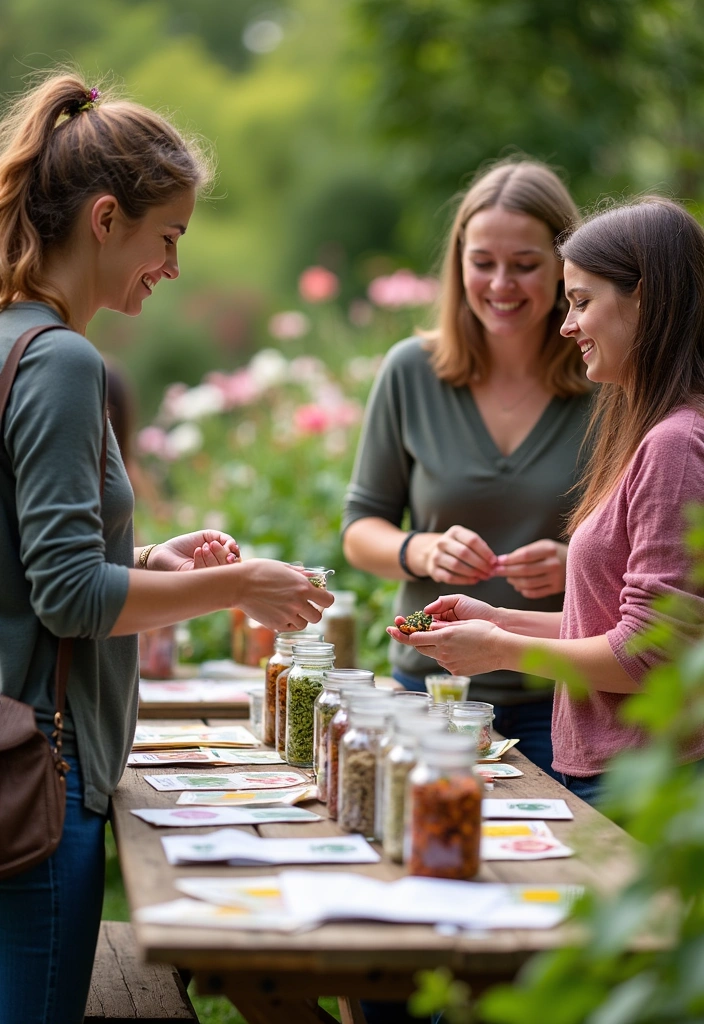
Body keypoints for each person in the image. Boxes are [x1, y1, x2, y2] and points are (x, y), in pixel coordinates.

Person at [0, 73, 333, 1024]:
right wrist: (240, 585)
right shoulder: (63, 362)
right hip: (40, 779)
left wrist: (148, 561)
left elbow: (23, 564)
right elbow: (64, 597)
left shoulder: (13, 340)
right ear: (106, 219)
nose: (173, 265)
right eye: (169, 237)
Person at [388, 196, 704, 806]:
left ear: (646, 298)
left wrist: (502, 649)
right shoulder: (655, 433)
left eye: (582, 302)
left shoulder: (675, 444)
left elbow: (652, 656)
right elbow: (619, 629)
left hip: (648, 780)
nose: (567, 325)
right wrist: (499, 619)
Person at [342, 158, 592, 777]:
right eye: (483, 262)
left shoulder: (604, 380)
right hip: (434, 694)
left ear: (566, 269)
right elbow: (359, 529)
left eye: (526, 265)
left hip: (562, 701)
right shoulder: (410, 372)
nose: (501, 284)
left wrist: (575, 563)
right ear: (458, 262)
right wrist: (422, 551)